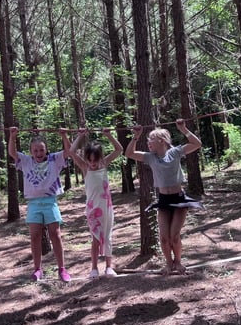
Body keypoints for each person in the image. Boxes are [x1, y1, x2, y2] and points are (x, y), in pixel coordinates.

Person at [125, 119, 203, 275]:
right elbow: (129, 153)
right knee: (163, 237)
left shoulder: (175, 152)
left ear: (161, 141)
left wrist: (184, 129)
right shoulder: (150, 157)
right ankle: (168, 264)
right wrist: (136, 136)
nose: (148, 143)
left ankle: (178, 262)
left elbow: (197, 144)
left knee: (174, 236)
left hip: (179, 199)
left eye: (151, 140)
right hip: (163, 200)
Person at [8, 127, 72, 282]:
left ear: (46, 149)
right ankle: (37, 269)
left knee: (55, 235)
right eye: (35, 150)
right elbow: (12, 153)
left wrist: (64, 135)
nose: (38, 153)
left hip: (50, 202)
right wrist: (12, 135)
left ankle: (62, 269)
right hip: (33, 204)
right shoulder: (26, 161)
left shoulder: (54, 159)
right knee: (35, 236)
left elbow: (68, 151)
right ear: (31, 151)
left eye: (41, 150)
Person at [67, 128, 123, 278]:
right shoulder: (85, 168)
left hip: (106, 208)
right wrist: (79, 136)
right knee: (96, 239)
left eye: (95, 160)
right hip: (93, 209)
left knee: (108, 236)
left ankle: (109, 267)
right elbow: (72, 152)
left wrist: (108, 134)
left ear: (100, 158)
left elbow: (119, 149)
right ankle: (94, 268)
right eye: (90, 160)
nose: (92, 163)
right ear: (87, 159)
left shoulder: (104, 164)